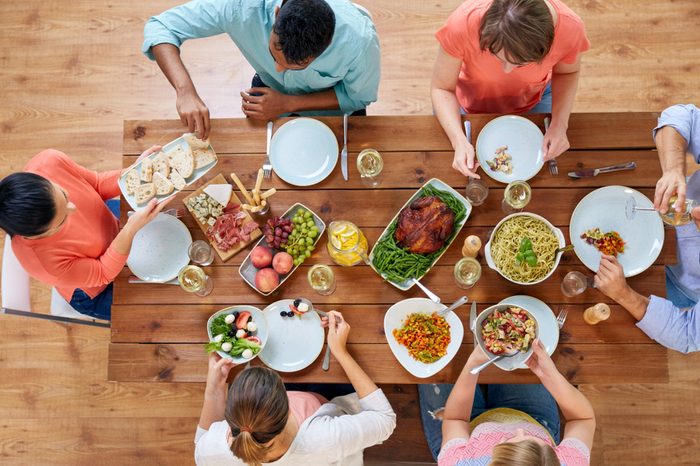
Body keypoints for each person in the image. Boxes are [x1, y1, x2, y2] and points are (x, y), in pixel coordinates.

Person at [143, 0, 381, 138]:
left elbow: (358, 97)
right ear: (277, 14)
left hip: (331, 111)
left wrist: (289, 103)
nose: (278, 70)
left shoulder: (359, 41)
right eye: (273, 55)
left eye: (294, 66)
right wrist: (185, 91)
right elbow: (161, 27)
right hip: (267, 99)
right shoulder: (238, 6)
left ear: (326, 47)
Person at [195, 311, 396, 465]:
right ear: (287, 405)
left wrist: (214, 388)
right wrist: (340, 351)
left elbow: (202, 442)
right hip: (329, 407)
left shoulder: (213, 451)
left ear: (230, 424)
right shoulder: (324, 439)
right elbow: (385, 419)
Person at [0, 148, 170, 320]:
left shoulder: (49, 162)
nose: (73, 208)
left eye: (65, 196)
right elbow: (103, 272)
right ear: (36, 236)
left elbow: (95, 184)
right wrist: (130, 230)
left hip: (111, 225)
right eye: (62, 221)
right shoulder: (44, 264)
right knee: (156, 312)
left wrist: (132, 174)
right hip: (97, 290)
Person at [431, 0, 590, 178]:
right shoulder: (462, 24)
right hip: (466, 104)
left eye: (519, 64)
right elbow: (442, 88)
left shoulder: (571, 29)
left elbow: (567, 73)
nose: (506, 71)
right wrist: (458, 141)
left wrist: (559, 126)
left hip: (533, 100)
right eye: (496, 55)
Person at [595, 103, 700, 353]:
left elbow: (687, 336)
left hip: (674, 282)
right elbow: (681, 116)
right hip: (657, 199)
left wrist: (624, 295)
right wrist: (674, 169)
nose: (696, 213)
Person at [419, 343, 594, 465]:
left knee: (431, 358)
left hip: (463, 426)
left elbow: (455, 419)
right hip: (531, 416)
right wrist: (550, 377)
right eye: (545, 448)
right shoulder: (570, 463)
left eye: (509, 441)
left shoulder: (459, 462)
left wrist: (473, 364)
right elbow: (582, 419)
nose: (519, 430)